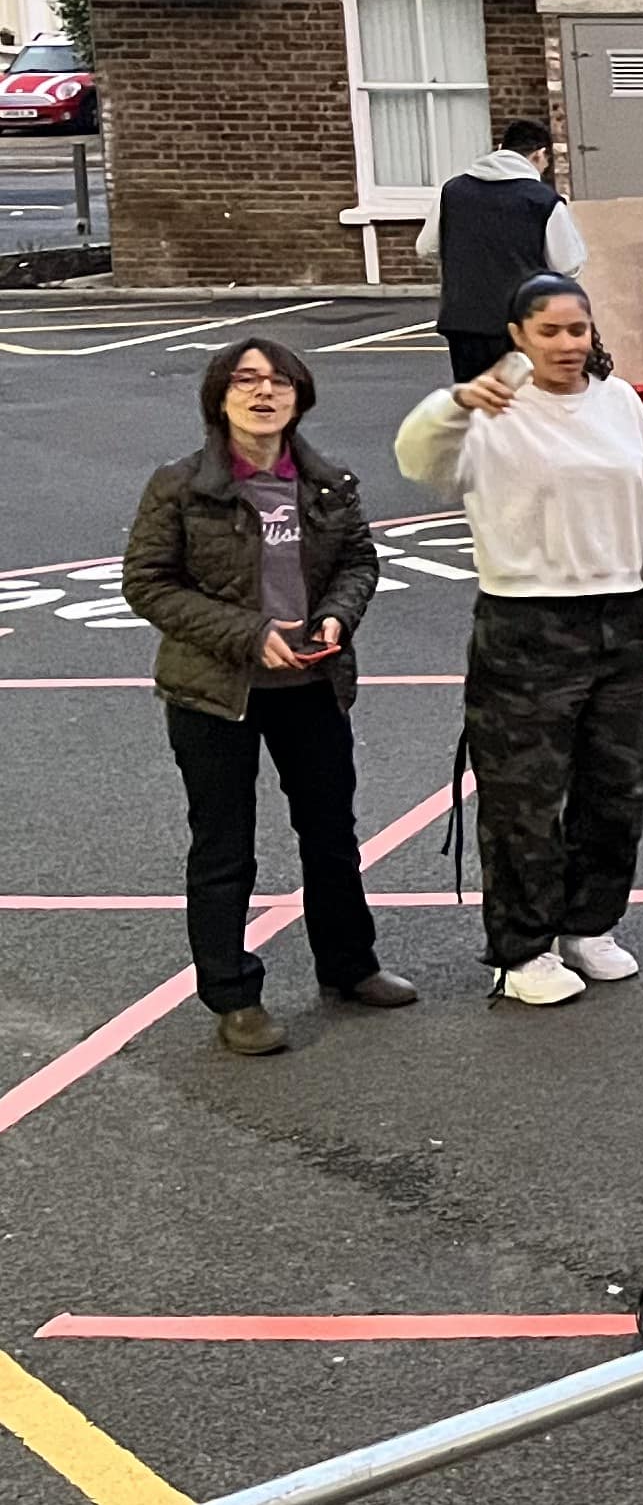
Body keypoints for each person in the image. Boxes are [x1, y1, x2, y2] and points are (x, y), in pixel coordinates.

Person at [394, 275, 643, 1004]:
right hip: (525, 626)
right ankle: (522, 949)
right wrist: (455, 403)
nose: (568, 345)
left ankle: (589, 924)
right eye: (550, 332)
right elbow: (418, 460)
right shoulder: (490, 412)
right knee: (523, 800)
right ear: (518, 337)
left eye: (578, 330)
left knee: (616, 787)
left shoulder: (619, 401)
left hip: (618, 622)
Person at [123, 339, 410, 1055]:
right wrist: (249, 634)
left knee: (331, 835)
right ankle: (234, 997)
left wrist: (340, 615)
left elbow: (358, 560)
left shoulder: (329, 482)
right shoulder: (180, 486)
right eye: (246, 380)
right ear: (219, 398)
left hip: (311, 686)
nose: (264, 392)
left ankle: (349, 966)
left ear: (299, 397)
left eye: (279, 380)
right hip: (217, 692)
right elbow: (149, 584)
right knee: (225, 846)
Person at [419, 119, 584, 383]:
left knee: (475, 406)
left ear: (500, 147)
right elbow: (567, 265)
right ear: (539, 154)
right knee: (522, 408)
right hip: (522, 323)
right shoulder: (543, 200)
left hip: (463, 320)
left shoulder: (452, 191)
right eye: (545, 162)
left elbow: (425, 248)